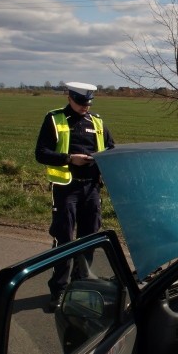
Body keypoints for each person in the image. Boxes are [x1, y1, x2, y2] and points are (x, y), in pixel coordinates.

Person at [35, 82, 115, 310]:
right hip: (66, 189)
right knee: (64, 240)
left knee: (90, 238)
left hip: (91, 188)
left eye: (88, 103)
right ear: (69, 97)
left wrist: (101, 157)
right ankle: (59, 291)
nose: (85, 107)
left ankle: (81, 285)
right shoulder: (55, 119)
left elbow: (111, 148)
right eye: (81, 102)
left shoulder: (97, 121)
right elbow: (41, 153)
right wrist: (70, 159)